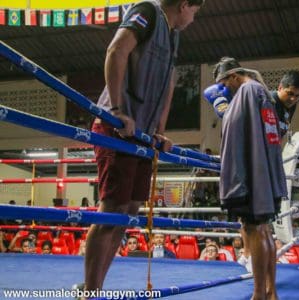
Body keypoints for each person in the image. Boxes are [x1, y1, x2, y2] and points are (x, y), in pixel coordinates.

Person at [83, 0, 204, 294]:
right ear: (186, 4)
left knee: (130, 211)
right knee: (112, 210)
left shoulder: (173, 35)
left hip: (143, 134)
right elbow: (116, 50)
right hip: (116, 127)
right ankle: (91, 290)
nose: (193, 19)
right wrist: (116, 109)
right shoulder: (147, 11)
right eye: (195, 12)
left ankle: (95, 284)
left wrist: (160, 131)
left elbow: (169, 83)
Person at [208, 57, 287, 300]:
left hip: (252, 174)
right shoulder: (260, 91)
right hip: (262, 172)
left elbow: (240, 134)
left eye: (224, 84)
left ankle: (258, 294)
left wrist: (223, 108)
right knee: (263, 232)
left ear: (233, 77)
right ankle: (269, 292)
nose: (224, 89)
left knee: (255, 230)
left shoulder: (248, 91)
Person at [271, 70, 299, 138]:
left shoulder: (291, 104)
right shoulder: (268, 101)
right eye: (290, 93)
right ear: (280, 88)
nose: (293, 99)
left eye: (297, 96)